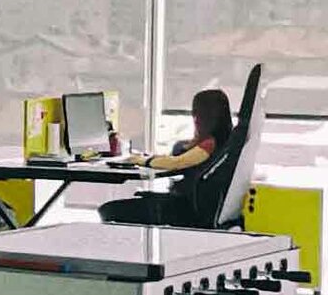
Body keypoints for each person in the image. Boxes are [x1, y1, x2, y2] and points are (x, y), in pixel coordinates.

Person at [98, 88, 233, 226]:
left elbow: (178, 162)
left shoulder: (210, 144)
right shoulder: (226, 143)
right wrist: (153, 158)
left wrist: (141, 160)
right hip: (187, 205)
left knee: (109, 210)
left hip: (185, 211)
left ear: (202, 116)